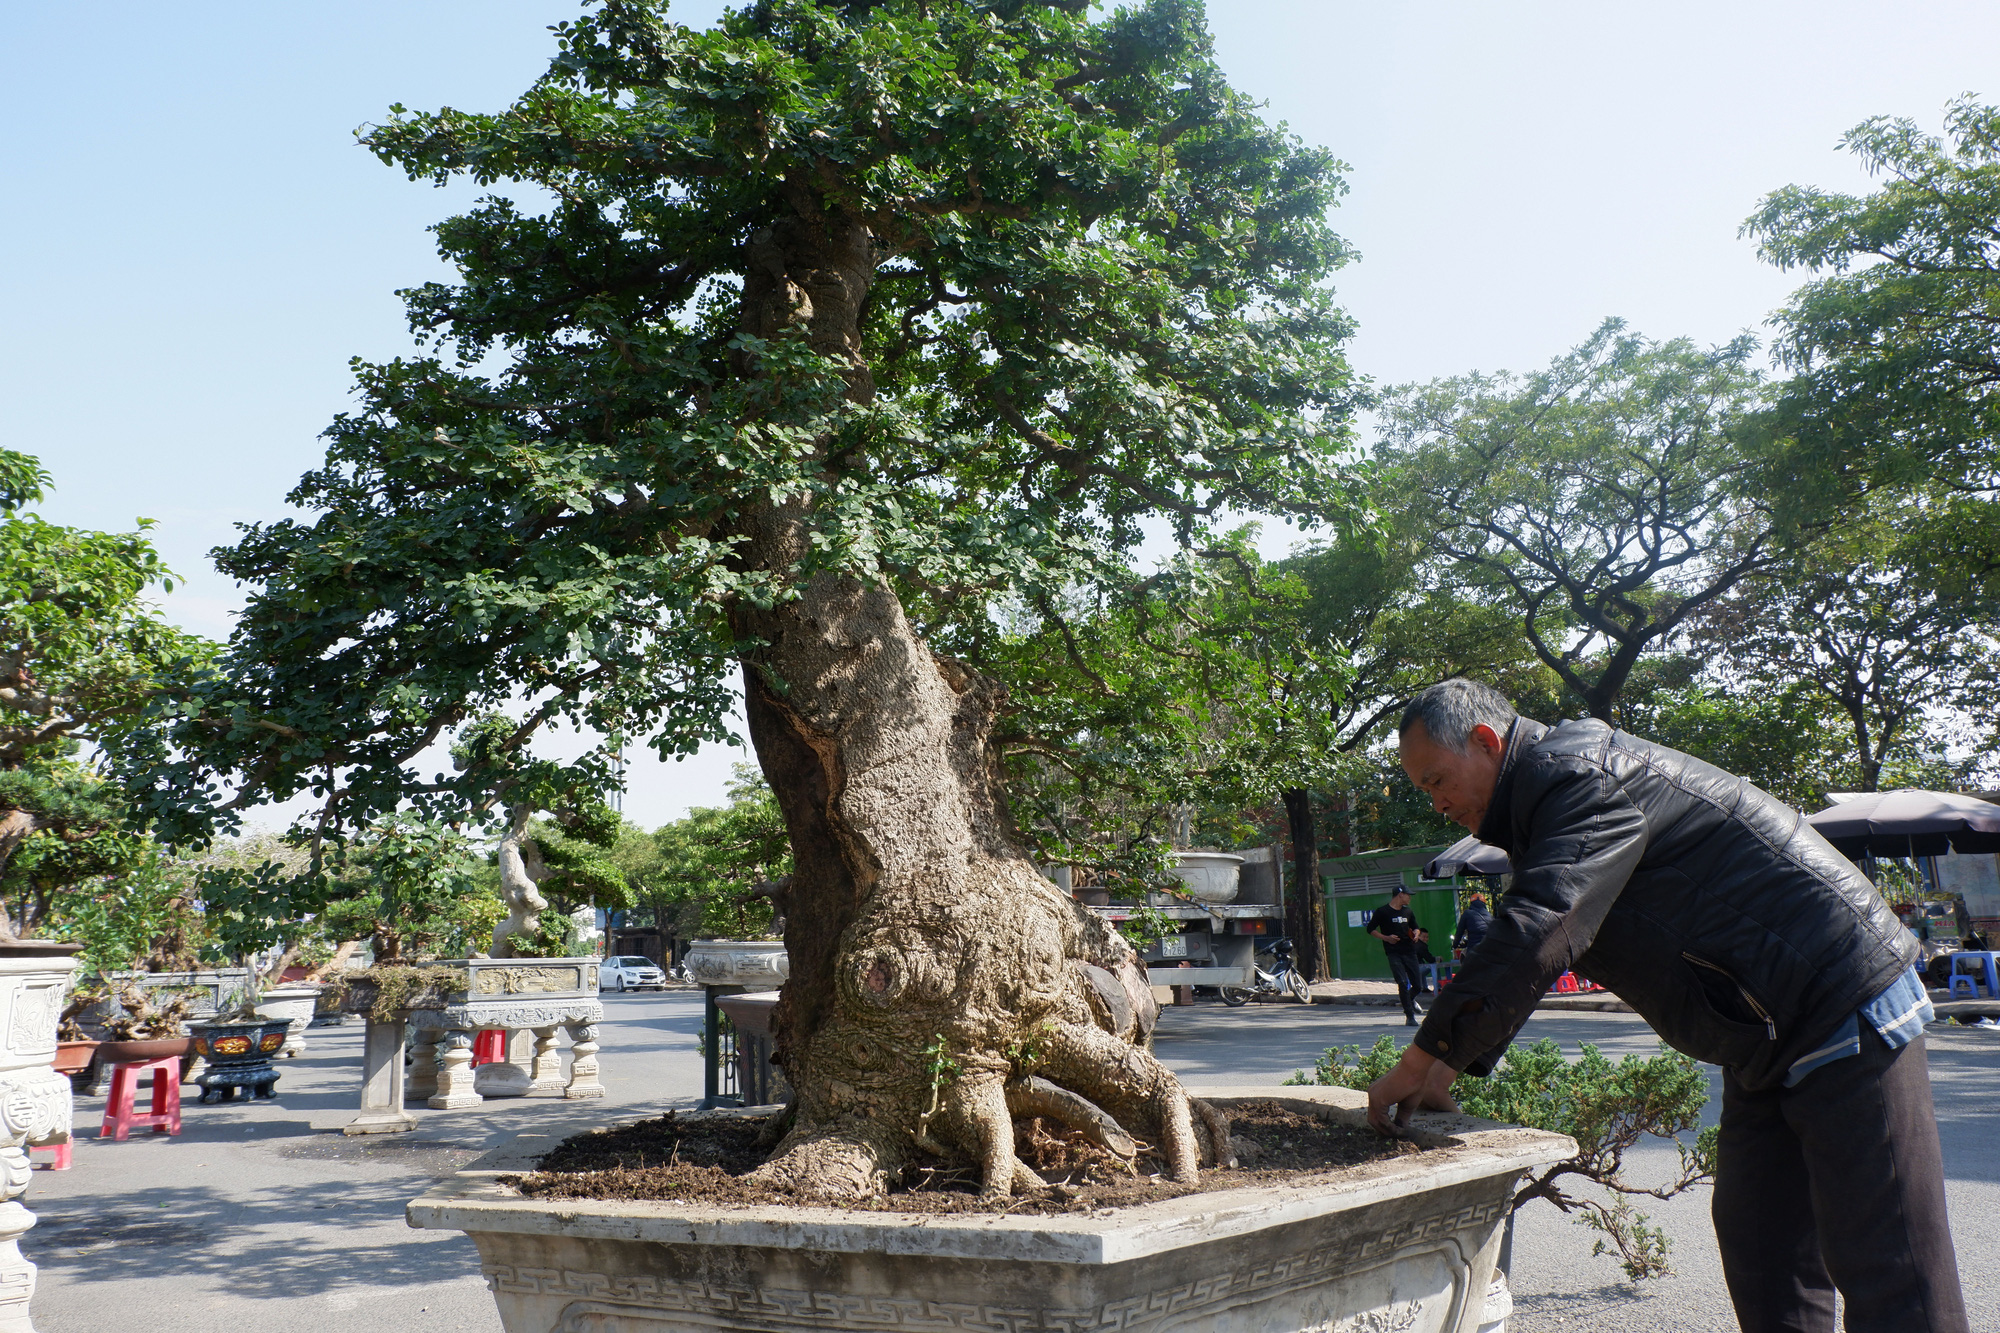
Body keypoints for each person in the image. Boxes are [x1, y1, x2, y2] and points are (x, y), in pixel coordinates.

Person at [1370, 678, 1967, 1333]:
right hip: (1765, 1036)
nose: (1437, 803)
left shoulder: (1578, 775)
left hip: (1842, 992)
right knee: (1763, 1246)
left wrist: (1424, 1055)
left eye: (1435, 780)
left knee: (1889, 1266)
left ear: (1486, 742)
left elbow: (1541, 926)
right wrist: (1444, 1071)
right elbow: (1543, 941)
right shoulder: (1543, 807)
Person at [1366, 888, 1424, 1025]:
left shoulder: (1408, 911)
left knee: (1417, 986)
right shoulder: (1382, 912)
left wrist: (1416, 933)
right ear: (1400, 895)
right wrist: (1385, 938)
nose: (1409, 898)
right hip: (1393, 952)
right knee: (1402, 983)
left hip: (1409, 951)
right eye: (1408, 895)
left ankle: (1409, 999)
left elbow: (1416, 927)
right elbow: (1370, 929)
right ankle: (1409, 1016)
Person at [1452, 891, 1491, 959]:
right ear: (1484, 903)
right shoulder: (1489, 915)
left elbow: (1459, 932)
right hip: (1489, 949)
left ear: (1471, 903)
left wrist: (1455, 945)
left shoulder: (1467, 914)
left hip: (1474, 949)